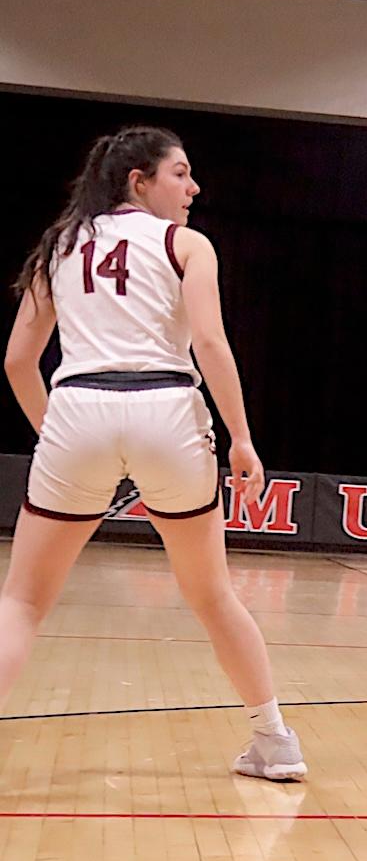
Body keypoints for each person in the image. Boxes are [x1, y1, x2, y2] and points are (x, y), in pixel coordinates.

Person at [0, 126, 305, 781]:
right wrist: (241, 438)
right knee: (213, 595)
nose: (193, 188)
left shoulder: (59, 245)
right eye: (180, 173)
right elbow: (210, 344)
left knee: (21, 602)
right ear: (138, 181)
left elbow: (18, 362)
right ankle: (274, 741)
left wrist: (55, 433)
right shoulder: (186, 245)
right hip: (167, 410)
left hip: (77, 407)